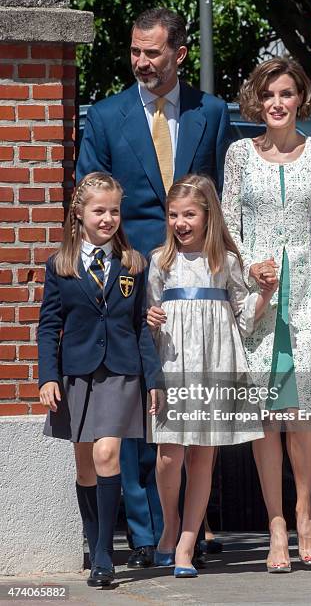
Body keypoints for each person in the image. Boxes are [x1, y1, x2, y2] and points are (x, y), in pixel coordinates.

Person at [76, 7, 230, 567]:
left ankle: (182, 530)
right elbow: (89, 198)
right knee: (132, 405)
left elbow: (221, 200)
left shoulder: (210, 112)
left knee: (186, 407)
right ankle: (145, 535)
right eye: (135, 52)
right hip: (128, 279)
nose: (141, 61)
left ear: (180, 54)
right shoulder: (108, 115)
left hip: (195, 287)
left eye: (152, 53)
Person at [222, 57, 311, 573]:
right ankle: (276, 525)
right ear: (256, 102)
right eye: (268, 95)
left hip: (304, 291)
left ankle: (305, 513)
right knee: (266, 417)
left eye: (285, 93)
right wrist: (248, 272)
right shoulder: (239, 154)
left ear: (300, 97)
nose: (277, 104)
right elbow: (229, 229)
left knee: (302, 413)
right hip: (260, 297)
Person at [146, 173, 278, 577]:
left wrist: (266, 295)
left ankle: (186, 545)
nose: (180, 223)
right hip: (173, 364)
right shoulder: (159, 261)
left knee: (203, 457)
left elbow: (242, 317)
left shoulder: (226, 261)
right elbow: (149, 315)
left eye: (189, 214)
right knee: (170, 454)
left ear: (208, 216)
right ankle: (170, 524)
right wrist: (150, 320)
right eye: (173, 215)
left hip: (214, 364)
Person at [38, 172, 162, 587]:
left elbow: (141, 327)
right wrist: (48, 376)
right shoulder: (61, 266)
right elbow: (48, 325)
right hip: (76, 374)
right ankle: (93, 542)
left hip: (122, 372)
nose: (108, 218)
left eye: (114, 210)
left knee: (109, 454)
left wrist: (154, 379)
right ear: (80, 213)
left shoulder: (134, 263)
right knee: (86, 465)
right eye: (99, 210)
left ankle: (106, 553)